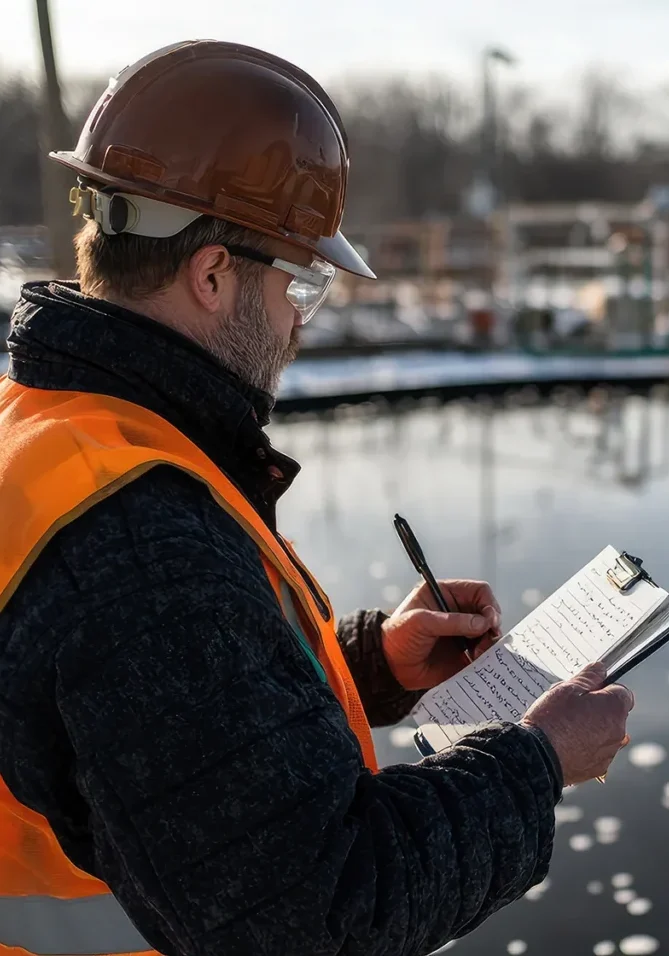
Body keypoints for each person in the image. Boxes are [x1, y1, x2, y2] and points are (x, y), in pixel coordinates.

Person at [0, 41, 633, 956]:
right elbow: (319, 910)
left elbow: (144, 724)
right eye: (298, 282)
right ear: (212, 275)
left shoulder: (51, 430)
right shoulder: (137, 536)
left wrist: (372, 664)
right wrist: (535, 765)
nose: (301, 318)